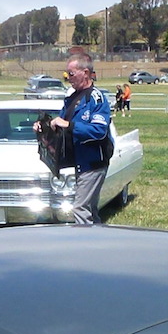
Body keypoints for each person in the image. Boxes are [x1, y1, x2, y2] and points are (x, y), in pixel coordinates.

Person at [43, 55, 113, 224]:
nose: (67, 79)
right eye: (66, 74)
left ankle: (84, 245)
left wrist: (69, 125)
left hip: (93, 164)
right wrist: (43, 125)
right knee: (89, 209)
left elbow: (99, 130)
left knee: (80, 208)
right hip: (80, 162)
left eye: (71, 74)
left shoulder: (95, 98)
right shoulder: (72, 98)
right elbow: (61, 123)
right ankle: (97, 244)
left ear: (86, 73)